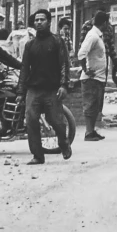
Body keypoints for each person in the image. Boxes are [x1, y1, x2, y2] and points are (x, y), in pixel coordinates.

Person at [19, 9, 73, 163]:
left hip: (52, 89)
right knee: (31, 120)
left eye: (42, 20)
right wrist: (20, 92)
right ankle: (37, 155)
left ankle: (63, 143)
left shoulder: (57, 41)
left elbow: (64, 64)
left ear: (49, 22)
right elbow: (24, 69)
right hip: (33, 89)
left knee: (56, 120)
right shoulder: (30, 45)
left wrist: (64, 85)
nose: (39, 22)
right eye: (36, 20)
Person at [77, 8, 117, 140]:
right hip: (91, 77)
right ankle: (88, 132)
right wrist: (86, 69)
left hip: (99, 77)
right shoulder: (92, 35)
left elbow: (111, 49)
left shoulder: (101, 35)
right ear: (104, 23)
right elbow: (81, 53)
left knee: (96, 105)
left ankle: (92, 131)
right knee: (90, 105)